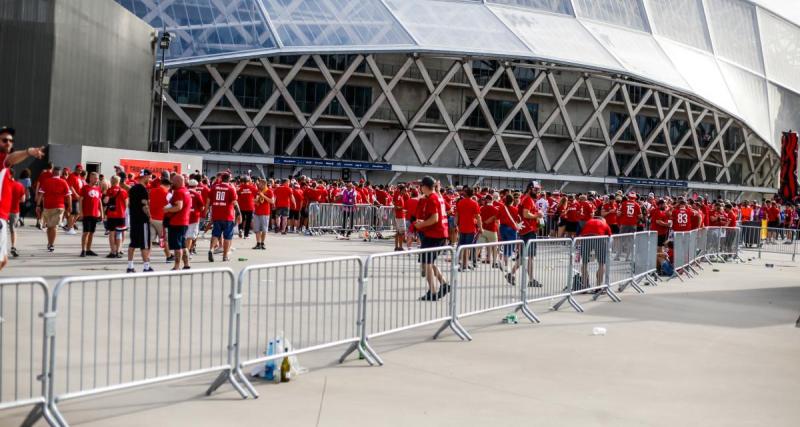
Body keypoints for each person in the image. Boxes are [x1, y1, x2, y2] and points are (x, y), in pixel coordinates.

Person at [414, 176, 450, 301]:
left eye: (421, 186)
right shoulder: (438, 197)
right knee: (428, 262)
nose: (420, 188)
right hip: (440, 233)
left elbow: (435, 219)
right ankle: (443, 284)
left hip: (434, 234)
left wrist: (421, 224)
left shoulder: (432, 198)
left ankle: (433, 291)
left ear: (424, 187)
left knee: (427, 263)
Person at [37, 167, 72, 252]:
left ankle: (50, 244)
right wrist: (70, 206)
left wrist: (38, 205)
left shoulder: (46, 181)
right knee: (53, 227)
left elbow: (40, 194)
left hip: (47, 207)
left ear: (53, 173)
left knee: (50, 227)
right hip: (59, 207)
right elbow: (69, 195)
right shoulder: (64, 182)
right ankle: (50, 244)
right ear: (59, 173)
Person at [207, 172, 239, 262]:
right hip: (227, 215)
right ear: (228, 179)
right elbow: (234, 202)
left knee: (215, 234)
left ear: (221, 178)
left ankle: (211, 249)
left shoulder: (214, 187)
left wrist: (207, 211)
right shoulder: (230, 188)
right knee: (227, 237)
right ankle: (225, 256)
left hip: (216, 214)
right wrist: (238, 213)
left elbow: (208, 200)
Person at [125, 170, 153, 273]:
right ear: (145, 176)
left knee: (133, 243)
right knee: (144, 244)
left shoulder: (132, 189)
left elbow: (129, 204)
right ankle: (146, 267)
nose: (149, 179)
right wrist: (150, 216)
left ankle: (130, 266)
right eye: (149, 177)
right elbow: (145, 206)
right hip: (142, 220)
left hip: (134, 220)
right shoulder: (143, 190)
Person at [164, 174, 192, 270]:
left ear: (179, 182)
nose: (172, 183)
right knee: (183, 245)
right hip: (184, 221)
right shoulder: (186, 191)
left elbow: (178, 206)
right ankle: (186, 264)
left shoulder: (178, 192)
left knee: (177, 246)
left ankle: (177, 266)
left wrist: (166, 210)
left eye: (174, 182)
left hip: (177, 222)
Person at [578, 215, 612, 290]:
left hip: (586, 238)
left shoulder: (588, 222)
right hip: (599, 237)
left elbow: (580, 233)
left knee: (584, 263)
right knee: (601, 264)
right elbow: (610, 237)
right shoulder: (604, 224)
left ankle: (584, 285)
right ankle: (598, 286)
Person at [454, 187, 481, 271]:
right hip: (471, 227)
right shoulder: (474, 203)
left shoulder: (460, 202)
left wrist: (456, 225)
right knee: (467, 247)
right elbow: (478, 217)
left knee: (461, 246)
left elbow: (457, 215)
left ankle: (461, 263)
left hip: (462, 227)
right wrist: (480, 227)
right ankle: (465, 265)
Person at [78, 172, 102, 257]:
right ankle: (83, 250)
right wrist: (81, 213)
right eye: (95, 178)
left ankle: (88, 249)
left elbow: (99, 201)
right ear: (90, 178)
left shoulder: (98, 189)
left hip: (95, 214)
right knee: (86, 232)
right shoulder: (85, 188)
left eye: (97, 178)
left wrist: (101, 213)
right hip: (87, 213)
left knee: (91, 232)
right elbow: (80, 200)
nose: (96, 180)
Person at [103, 175, 128, 258]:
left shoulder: (109, 190)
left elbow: (105, 201)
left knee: (111, 233)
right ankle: (118, 250)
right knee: (119, 233)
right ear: (118, 181)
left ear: (111, 181)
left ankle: (112, 252)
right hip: (121, 215)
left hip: (111, 215)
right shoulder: (123, 191)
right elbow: (126, 204)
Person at [148, 177, 171, 260]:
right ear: (168, 185)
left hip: (150, 218)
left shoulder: (152, 191)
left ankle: (147, 257)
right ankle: (168, 255)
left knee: (149, 240)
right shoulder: (168, 194)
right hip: (161, 219)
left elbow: (148, 202)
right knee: (164, 239)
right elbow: (171, 207)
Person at [252, 178, 274, 250]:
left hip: (265, 213)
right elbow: (254, 201)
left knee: (264, 230)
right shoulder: (257, 191)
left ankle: (262, 243)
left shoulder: (269, 191)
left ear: (264, 184)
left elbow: (272, 201)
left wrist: (263, 196)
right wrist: (255, 201)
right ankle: (258, 243)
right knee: (257, 229)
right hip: (257, 212)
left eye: (260, 184)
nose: (259, 185)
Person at [185, 179, 205, 255]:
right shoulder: (197, 194)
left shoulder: (184, 192)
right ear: (196, 186)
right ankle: (187, 252)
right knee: (190, 236)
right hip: (194, 217)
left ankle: (184, 251)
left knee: (184, 235)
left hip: (184, 217)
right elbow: (202, 207)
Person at [392, 185, 406, 251]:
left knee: (398, 232)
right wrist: (402, 208)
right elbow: (396, 206)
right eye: (404, 190)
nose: (405, 191)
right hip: (400, 216)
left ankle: (396, 247)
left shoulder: (400, 196)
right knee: (401, 232)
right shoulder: (398, 196)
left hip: (399, 216)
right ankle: (400, 247)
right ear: (400, 190)